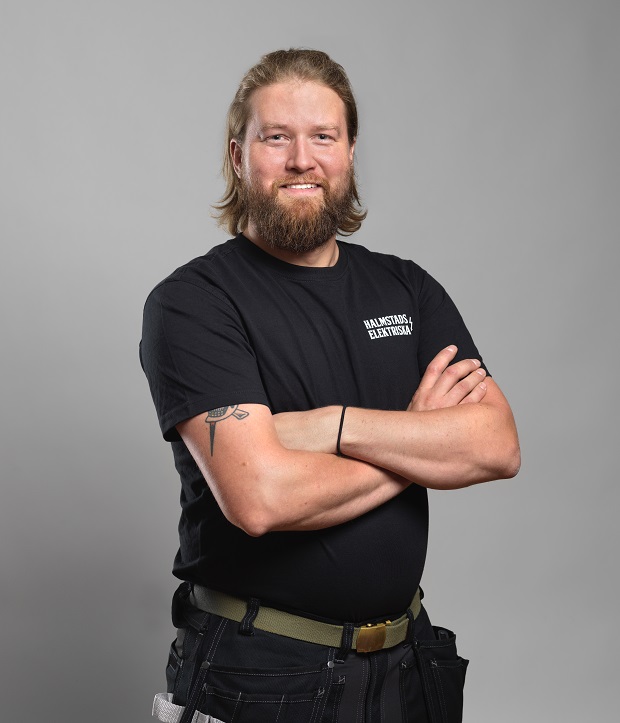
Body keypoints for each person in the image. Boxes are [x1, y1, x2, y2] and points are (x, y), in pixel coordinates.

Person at [140, 48, 520, 723]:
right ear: (239, 157)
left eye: (323, 136)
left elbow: (496, 445)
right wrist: (418, 439)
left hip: (407, 665)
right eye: (276, 137)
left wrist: (334, 425)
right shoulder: (194, 302)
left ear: (348, 153)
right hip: (260, 672)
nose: (301, 159)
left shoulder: (407, 287)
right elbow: (260, 498)